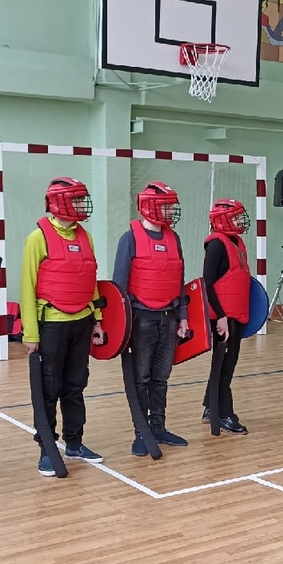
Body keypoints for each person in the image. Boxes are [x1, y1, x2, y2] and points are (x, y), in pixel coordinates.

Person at [20, 178, 106, 476]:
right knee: (48, 389)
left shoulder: (86, 237)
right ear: (59, 203)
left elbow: (90, 280)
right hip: (51, 325)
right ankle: (47, 448)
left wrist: (97, 319)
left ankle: (75, 443)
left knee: (75, 385)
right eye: (77, 200)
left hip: (82, 322)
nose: (82, 205)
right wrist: (30, 334)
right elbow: (27, 287)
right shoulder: (37, 238)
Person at [112, 182, 190, 457]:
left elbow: (179, 280)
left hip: (169, 318)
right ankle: (141, 433)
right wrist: (122, 327)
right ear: (150, 207)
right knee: (141, 378)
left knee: (161, 377)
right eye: (165, 206)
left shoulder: (174, 238)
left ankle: (158, 428)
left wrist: (183, 317)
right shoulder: (129, 239)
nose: (170, 211)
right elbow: (119, 285)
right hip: (141, 318)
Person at [201, 199, 253, 434]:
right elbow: (207, 284)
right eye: (236, 217)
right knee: (224, 367)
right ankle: (224, 414)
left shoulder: (237, 242)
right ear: (222, 220)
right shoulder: (216, 245)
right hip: (223, 317)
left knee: (227, 364)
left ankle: (210, 407)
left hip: (236, 315)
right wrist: (220, 316)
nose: (241, 221)